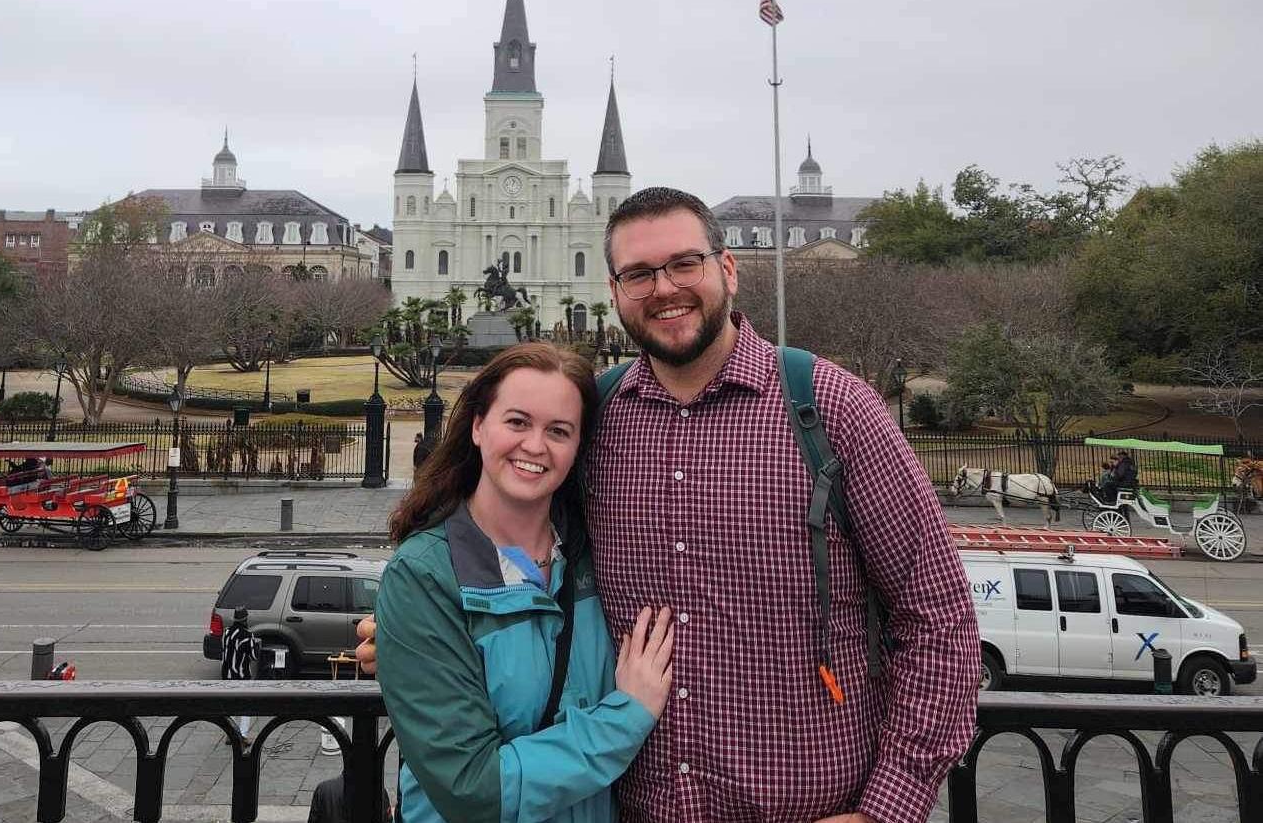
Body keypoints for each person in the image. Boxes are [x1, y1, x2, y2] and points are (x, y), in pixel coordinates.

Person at [364, 188, 979, 823]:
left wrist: (889, 806)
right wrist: (426, 635)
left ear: (728, 269)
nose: (664, 288)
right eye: (639, 274)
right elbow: (525, 557)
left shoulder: (829, 408)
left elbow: (937, 614)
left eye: (685, 263)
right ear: (615, 291)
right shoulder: (599, 419)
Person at [375, 342, 673, 823]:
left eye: (558, 431)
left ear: (578, 448)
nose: (535, 446)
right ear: (478, 426)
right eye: (517, 422)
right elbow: (473, 789)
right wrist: (625, 719)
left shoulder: (599, 555)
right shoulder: (425, 576)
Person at [220, 608, 263, 742]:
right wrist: (256, 646)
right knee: (245, 706)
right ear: (245, 620)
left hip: (227, 675)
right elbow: (254, 656)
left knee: (231, 705)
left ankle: (230, 734)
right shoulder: (247, 635)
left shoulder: (227, 632)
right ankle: (243, 736)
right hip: (242, 675)